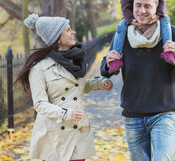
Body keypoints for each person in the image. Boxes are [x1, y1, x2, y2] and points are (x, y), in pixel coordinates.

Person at [100, 0, 175, 161]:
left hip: (164, 113)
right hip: (133, 114)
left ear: (157, 7)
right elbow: (107, 69)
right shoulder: (123, 35)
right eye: (138, 5)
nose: (142, 11)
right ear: (132, 7)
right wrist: (108, 63)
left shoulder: (172, 34)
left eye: (148, 6)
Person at [15, 13, 113, 161]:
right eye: (68, 30)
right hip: (55, 135)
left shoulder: (74, 61)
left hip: (76, 130)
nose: (73, 32)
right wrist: (67, 113)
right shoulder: (39, 68)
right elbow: (40, 104)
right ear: (57, 37)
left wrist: (100, 83)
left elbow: (79, 86)